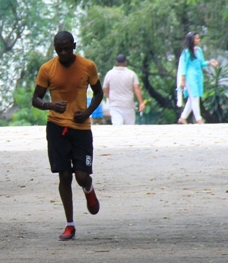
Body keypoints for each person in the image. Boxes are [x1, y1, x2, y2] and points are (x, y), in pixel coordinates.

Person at [32, 31, 104, 241]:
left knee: (81, 176)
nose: (63, 53)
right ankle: (69, 224)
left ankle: (88, 188)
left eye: (66, 48)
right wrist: (51, 105)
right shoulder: (47, 69)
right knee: (64, 175)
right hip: (56, 127)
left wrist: (88, 112)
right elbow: (36, 99)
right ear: (55, 48)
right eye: (59, 49)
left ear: (74, 45)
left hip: (81, 129)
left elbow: (98, 93)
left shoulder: (87, 66)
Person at [176, 32, 218, 124]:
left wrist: (210, 62)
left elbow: (201, 63)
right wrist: (182, 80)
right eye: (197, 39)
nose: (199, 40)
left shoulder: (198, 50)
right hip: (189, 77)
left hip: (198, 76)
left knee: (193, 98)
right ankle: (199, 119)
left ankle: (183, 117)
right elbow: (183, 66)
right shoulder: (186, 52)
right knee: (194, 97)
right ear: (192, 40)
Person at [101, 54, 145, 125]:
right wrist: (141, 103)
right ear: (126, 62)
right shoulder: (131, 74)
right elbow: (137, 89)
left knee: (118, 126)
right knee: (129, 127)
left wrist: (109, 97)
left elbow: (105, 88)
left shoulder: (109, 74)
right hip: (128, 104)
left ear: (116, 62)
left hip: (115, 104)